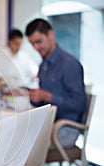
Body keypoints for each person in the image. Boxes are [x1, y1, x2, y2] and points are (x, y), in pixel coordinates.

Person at [25, 18, 87, 148]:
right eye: (32, 43)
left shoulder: (69, 64)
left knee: (22, 146)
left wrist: (48, 96)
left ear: (50, 34)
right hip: (49, 124)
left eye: (38, 41)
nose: (35, 47)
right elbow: (43, 103)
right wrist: (29, 95)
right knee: (15, 135)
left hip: (65, 128)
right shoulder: (43, 65)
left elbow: (79, 105)